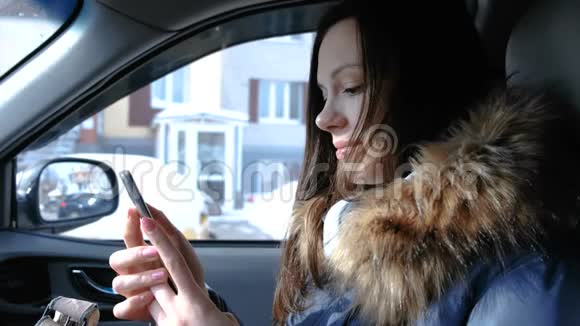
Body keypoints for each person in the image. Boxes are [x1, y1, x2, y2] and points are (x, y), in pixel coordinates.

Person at [109, 0, 580, 325]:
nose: (322, 117)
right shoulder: (346, 238)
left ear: (430, 87)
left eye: (351, 87)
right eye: (322, 93)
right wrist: (203, 302)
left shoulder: (528, 281)